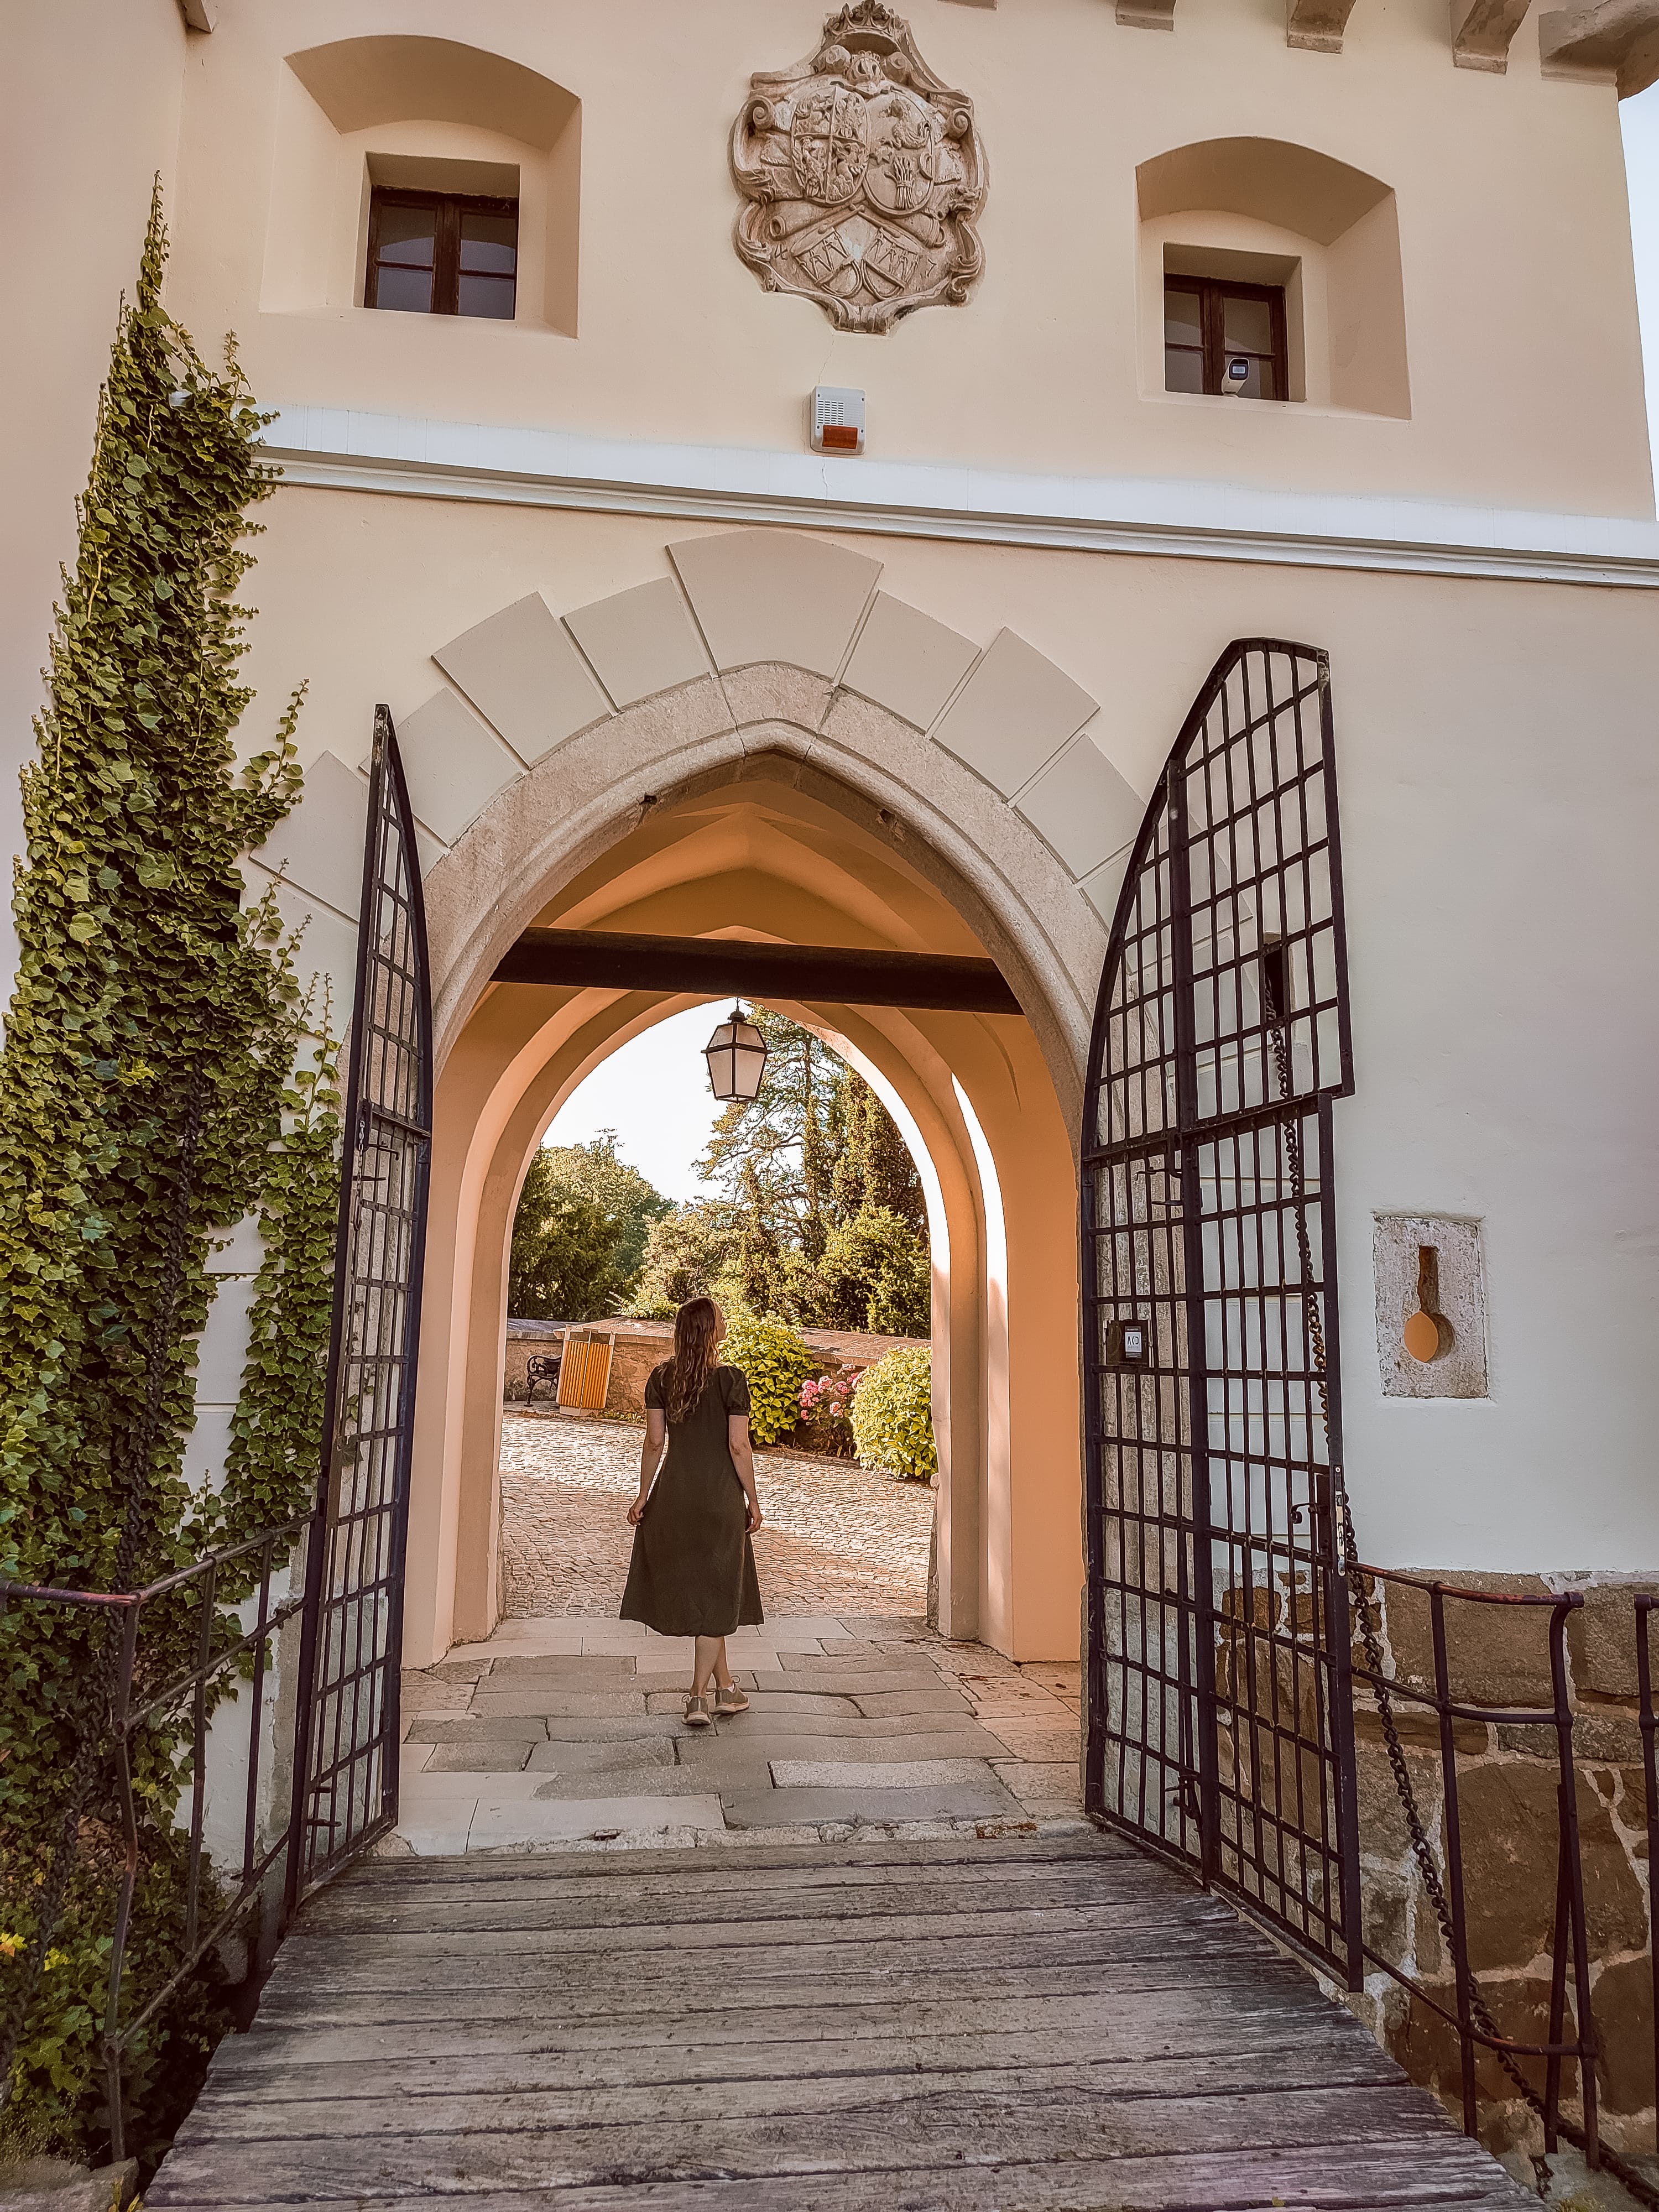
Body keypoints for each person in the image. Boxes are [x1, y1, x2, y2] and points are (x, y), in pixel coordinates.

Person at [620, 1297, 765, 1727]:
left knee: (708, 1597)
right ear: (709, 1330)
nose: (726, 1322)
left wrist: (643, 1494)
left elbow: (653, 1441)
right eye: (721, 1318)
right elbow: (739, 1446)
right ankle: (698, 1697)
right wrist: (753, 1498)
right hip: (719, 1498)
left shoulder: (662, 1377)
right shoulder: (731, 1381)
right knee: (716, 1597)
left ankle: (728, 1689)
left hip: (675, 1497)